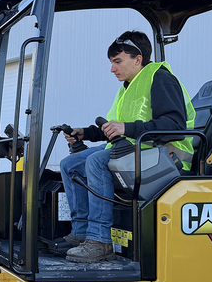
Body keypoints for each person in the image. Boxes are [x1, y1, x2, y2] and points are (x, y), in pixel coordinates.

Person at [58, 31, 195, 263]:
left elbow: (174, 126)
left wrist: (127, 128)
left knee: (96, 162)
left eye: (117, 61)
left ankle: (100, 241)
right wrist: (86, 133)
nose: (112, 69)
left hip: (168, 155)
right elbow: (117, 128)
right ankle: (81, 232)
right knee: (70, 164)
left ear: (138, 59)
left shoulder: (160, 78)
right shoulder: (128, 87)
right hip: (139, 149)